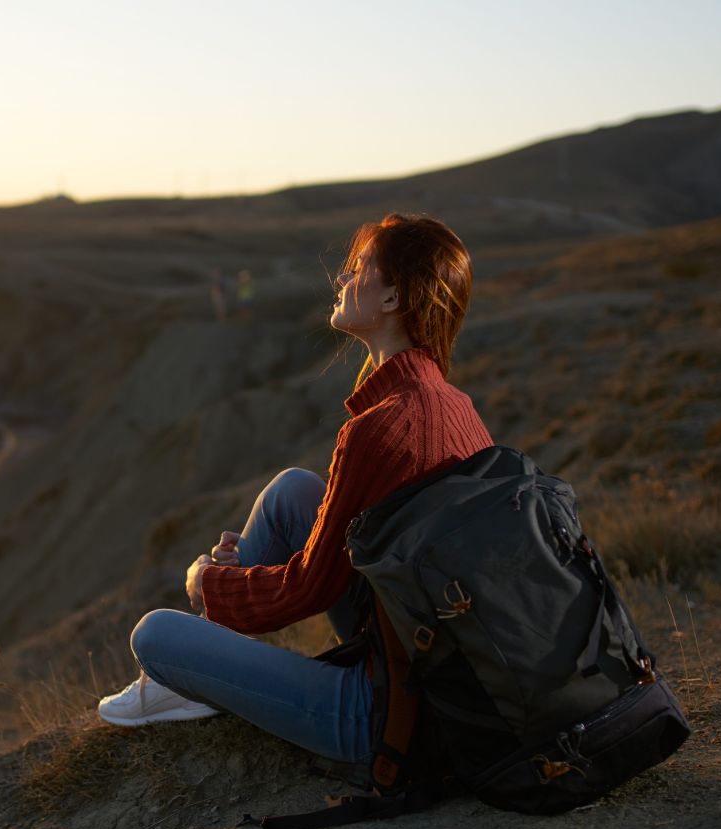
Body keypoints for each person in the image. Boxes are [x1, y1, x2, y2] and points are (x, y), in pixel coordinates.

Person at [97, 214, 494, 767]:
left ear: (392, 299)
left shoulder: (381, 427)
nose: (342, 280)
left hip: (386, 717)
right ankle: (186, 681)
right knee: (293, 492)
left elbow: (307, 590)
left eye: (358, 269)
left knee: (155, 634)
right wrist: (246, 576)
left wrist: (211, 583)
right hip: (432, 664)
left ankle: (181, 674)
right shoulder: (453, 404)